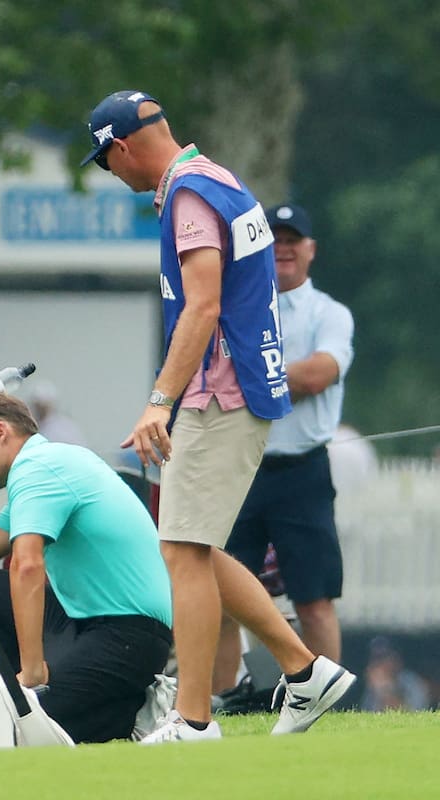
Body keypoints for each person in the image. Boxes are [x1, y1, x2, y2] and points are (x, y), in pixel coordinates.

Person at [80, 90, 354, 742]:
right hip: (239, 390)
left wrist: (159, 402)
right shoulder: (219, 178)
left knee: (180, 550)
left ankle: (196, 718)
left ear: (122, 147)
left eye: (105, 161)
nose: (111, 174)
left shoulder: (190, 196)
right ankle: (304, 670)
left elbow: (202, 306)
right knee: (191, 547)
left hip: (220, 394)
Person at [0, 393, 173, 743]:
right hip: (83, 621)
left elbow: (27, 565)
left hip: (129, 635)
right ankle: (18, 700)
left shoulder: (39, 468)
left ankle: (126, 709)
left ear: (1, 431)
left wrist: (33, 670)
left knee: (19, 729)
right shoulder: (43, 462)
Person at [220, 203, 355, 681]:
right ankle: (218, 702)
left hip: (302, 471)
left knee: (313, 598)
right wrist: (274, 380)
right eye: (274, 241)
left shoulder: (329, 313)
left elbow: (320, 374)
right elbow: (218, 374)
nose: (283, 249)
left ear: (310, 250)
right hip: (243, 467)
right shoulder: (238, 305)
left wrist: (251, 378)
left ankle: (328, 697)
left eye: (292, 241)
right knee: (221, 596)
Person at [25, 380, 88, 446]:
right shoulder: (28, 427)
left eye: (43, 404)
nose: (40, 409)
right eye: (37, 405)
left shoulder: (66, 427)